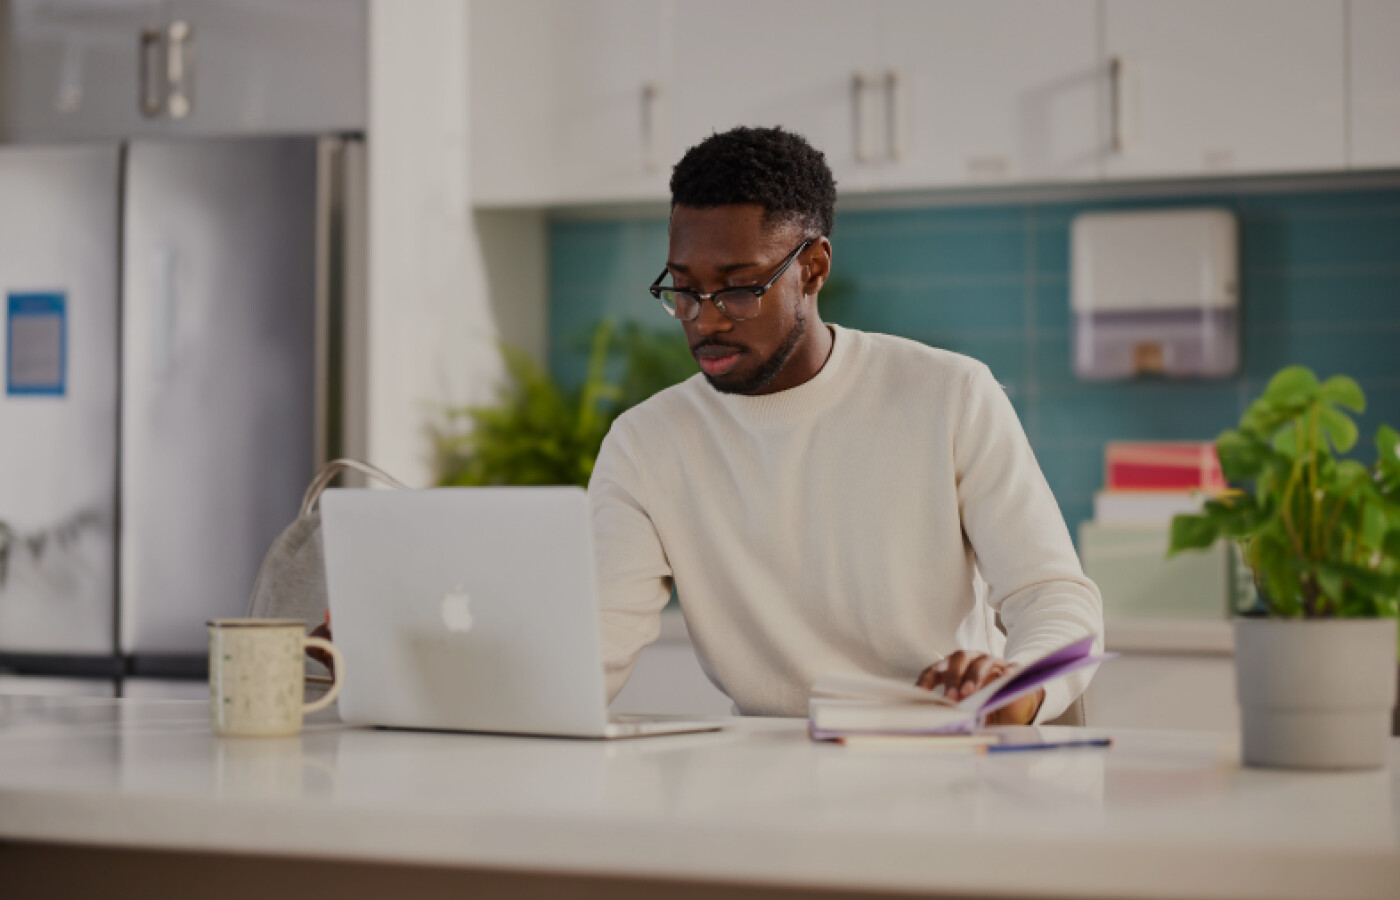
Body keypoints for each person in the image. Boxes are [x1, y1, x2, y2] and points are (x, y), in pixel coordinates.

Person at [589, 126, 1103, 724]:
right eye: (684, 289)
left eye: (736, 288)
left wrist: (1020, 688)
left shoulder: (949, 395)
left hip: (945, 761)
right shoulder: (646, 443)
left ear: (812, 268)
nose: (705, 320)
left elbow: (1054, 597)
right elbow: (594, 642)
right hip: (762, 777)